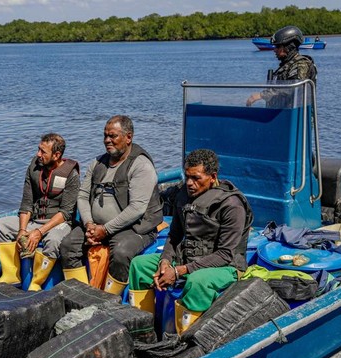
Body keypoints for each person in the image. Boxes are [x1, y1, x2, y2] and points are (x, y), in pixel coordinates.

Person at [127, 149, 253, 334]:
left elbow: (225, 254)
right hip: (188, 258)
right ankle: (143, 332)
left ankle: (185, 339)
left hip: (226, 266)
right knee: (140, 266)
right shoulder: (183, 196)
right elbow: (175, 235)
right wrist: (165, 262)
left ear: (212, 177)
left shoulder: (231, 205)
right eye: (187, 177)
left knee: (197, 281)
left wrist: (178, 272)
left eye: (196, 178)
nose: (190, 184)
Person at [59, 115, 163, 295]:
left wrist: (105, 230)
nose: (107, 140)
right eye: (105, 135)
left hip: (134, 227)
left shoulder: (141, 165)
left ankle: (109, 300)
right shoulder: (98, 162)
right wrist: (89, 224)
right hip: (96, 227)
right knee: (68, 245)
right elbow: (82, 196)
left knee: (122, 253)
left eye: (113, 136)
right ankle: (80, 295)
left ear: (128, 137)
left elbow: (137, 208)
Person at [0, 133, 80, 291]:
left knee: (53, 241)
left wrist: (39, 232)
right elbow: (26, 203)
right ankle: (12, 275)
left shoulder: (71, 175)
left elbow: (65, 213)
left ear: (57, 155)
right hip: (35, 221)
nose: (38, 154)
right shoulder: (34, 168)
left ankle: (36, 283)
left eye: (43, 152)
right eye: (39, 149)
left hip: (59, 223)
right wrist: (22, 230)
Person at [246, 25, 317, 108]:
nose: (274, 50)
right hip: (282, 115)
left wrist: (262, 95)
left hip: (296, 117)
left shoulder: (302, 64)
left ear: (288, 47)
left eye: (278, 46)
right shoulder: (285, 66)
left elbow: (292, 87)